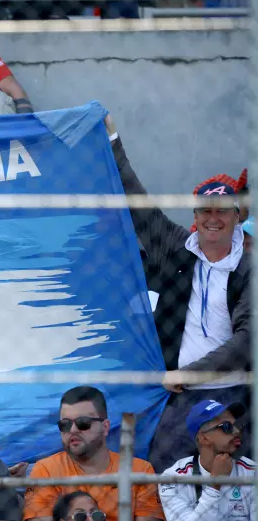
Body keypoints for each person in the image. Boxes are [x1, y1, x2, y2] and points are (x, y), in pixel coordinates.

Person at [105, 116, 251, 473]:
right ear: (195, 214)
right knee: (163, 472)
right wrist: (112, 140)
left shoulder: (248, 269)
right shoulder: (174, 246)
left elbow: (249, 339)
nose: (212, 219)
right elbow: (137, 203)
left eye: (222, 212)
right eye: (204, 211)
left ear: (237, 217)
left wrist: (189, 374)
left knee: (232, 477)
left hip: (230, 393)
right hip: (177, 395)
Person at [22, 386, 164, 521]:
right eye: (65, 424)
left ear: (105, 427)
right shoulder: (45, 471)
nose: (72, 430)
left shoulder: (139, 471)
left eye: (83, 422)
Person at [160, 399, 254, 521]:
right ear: (204, 438)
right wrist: (214, 485)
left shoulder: (253, 472)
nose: (237, 431)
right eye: (227, 427)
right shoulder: (172, 478)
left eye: (237, 425)